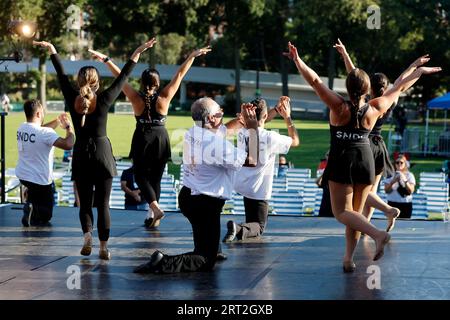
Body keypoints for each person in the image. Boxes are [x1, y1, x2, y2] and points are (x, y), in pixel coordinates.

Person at [284, 40, 440, 272]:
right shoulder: (376, 106)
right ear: (367, 90)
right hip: (366, 159)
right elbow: (398, 86)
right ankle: (348, 258)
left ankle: (378, 235)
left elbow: (315, 80)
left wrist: (298, 60)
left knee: (342, 212)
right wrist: (418, 71)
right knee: (355, 214)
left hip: (342, 159)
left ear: (347, 87)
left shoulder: (338, 107)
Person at [34, 38, 153, 260]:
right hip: (102, 155)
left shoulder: (72, 98)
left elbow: (60, 74)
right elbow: (124, 75)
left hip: (81, 155)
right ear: (97, 83)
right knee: (104, 205)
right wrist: (138, 50)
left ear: (79, 82)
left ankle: (87, 236)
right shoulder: (106, 98)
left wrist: (52, 50)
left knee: (85, 204)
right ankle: (103, 247)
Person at [89, 43, 211, 229]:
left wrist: (106, 60)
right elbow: (180, 74)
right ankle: (151, 212)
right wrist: (192, 56)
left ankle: (154, 208)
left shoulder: (135, 98)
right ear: (157, 83)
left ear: (142, 83)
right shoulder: (164, 98)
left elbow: (120, 76)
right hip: (161, 139)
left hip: (142, 138)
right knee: (156, 178)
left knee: (140, 175)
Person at [133, 97, 258, 274]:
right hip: (204, 203)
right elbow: (252, 160)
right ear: (210, 119)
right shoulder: (215, 144)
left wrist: (242, 120)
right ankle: (162, 262)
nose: (222, 115)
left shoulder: (194, 131)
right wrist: (253, 129)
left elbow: (223, 130)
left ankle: (211, 249)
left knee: (206, 246)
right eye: (219, 113)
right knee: (206, 260)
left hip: (190, 197)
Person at [334, 39, 431, 231]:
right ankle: (366, 224)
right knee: (372, 190)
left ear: (369, 87)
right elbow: (402, 83)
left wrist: (345, 54)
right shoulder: (388, 101)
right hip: (380, 147)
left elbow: (354, 75)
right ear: (385, 88)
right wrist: (415, 68)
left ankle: (387, 210)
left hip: (365, 145)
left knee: (360, 190)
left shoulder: (369, 103)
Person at [223, 96, 299, 243]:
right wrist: (287, 117)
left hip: (242, 184)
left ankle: (239, 229)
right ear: (264, 115)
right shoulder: (271, 137)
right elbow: (295, 140)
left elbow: (260, 121)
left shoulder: (243, 130)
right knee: (259, 227)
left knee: (251, 222)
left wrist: (276, 110)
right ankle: (237, 228)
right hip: (258, 188)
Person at [15, 99, 74, 226]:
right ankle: (31, 209)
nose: (43, 114)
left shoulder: (22, 128)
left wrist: (57, 121)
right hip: (40, 180)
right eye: (42, 112)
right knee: (46, 215)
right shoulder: (45, 133)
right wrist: (69, 128)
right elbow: (68, 144)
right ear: (37, 114)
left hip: (23, 176)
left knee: (36, 197)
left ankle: (30, 203)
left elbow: (39, 130)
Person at [384, 154, 416, 218]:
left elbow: (411, 191)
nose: (399, 164)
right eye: (397, 162)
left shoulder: (409, 175)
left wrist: (405, 180)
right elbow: (387, 191)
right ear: (394, 164)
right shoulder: (390, 175)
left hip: (406, 204)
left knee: (405, 225)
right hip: (392, 203)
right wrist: (393, 182)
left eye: (401, 162)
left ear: (405, 164)